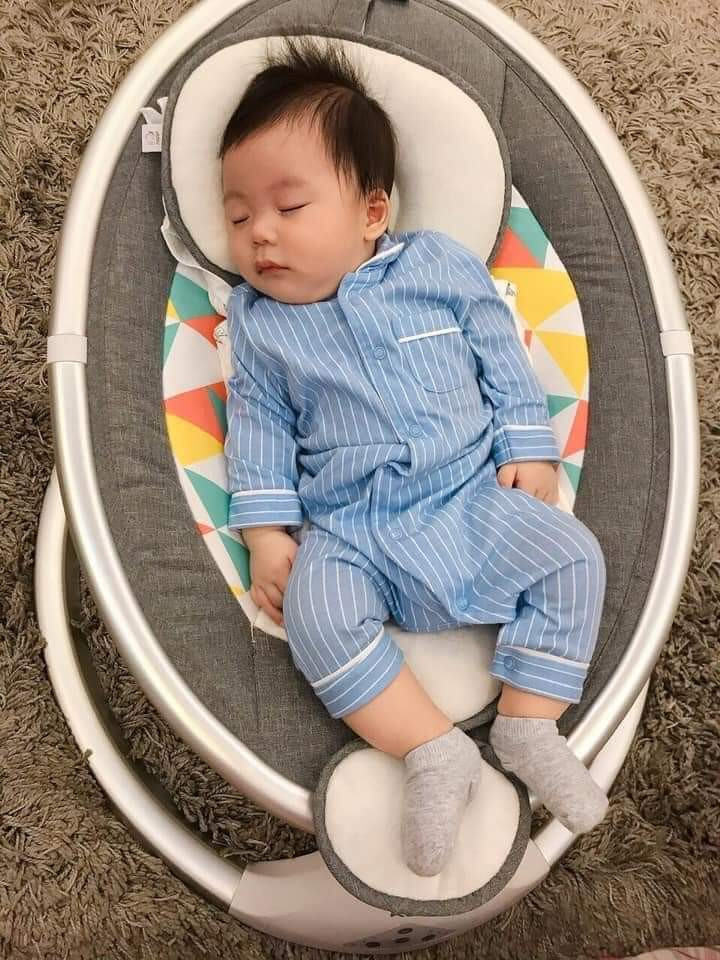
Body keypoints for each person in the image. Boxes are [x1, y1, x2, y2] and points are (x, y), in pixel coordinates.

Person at [220, 35, 608, 877]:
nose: (259, 235)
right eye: (238, 215)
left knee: (574, 557)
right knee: (313, 613)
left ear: (371, 213)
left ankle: (528, 723)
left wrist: (528, 443)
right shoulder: (259, 324)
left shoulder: (435, 266)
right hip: (352, 530)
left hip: (467, 500)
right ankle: (432, 747)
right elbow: (257, 426)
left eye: (289, 207)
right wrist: (266, 533)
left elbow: (498, 350)